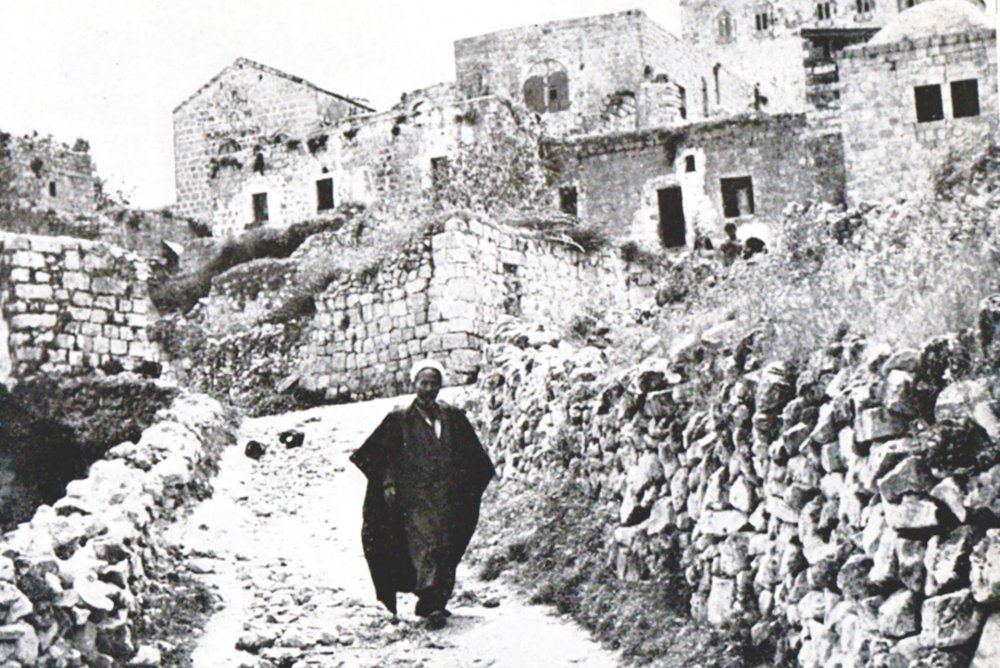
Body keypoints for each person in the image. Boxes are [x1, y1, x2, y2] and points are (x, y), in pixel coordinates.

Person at [350, 360, 495, 630]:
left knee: (444, 547)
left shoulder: (451, 416)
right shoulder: (399, 418)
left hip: (445, 497)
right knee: (426, 546)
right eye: (423, 383)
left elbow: (469, 454)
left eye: (434, 383)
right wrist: (388, 484)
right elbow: (382, 456)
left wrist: (467, 484)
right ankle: (430, 604)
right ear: (414, 385)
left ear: (441, 385)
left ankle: (435, 600)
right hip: (413, 498)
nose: (429, 389)